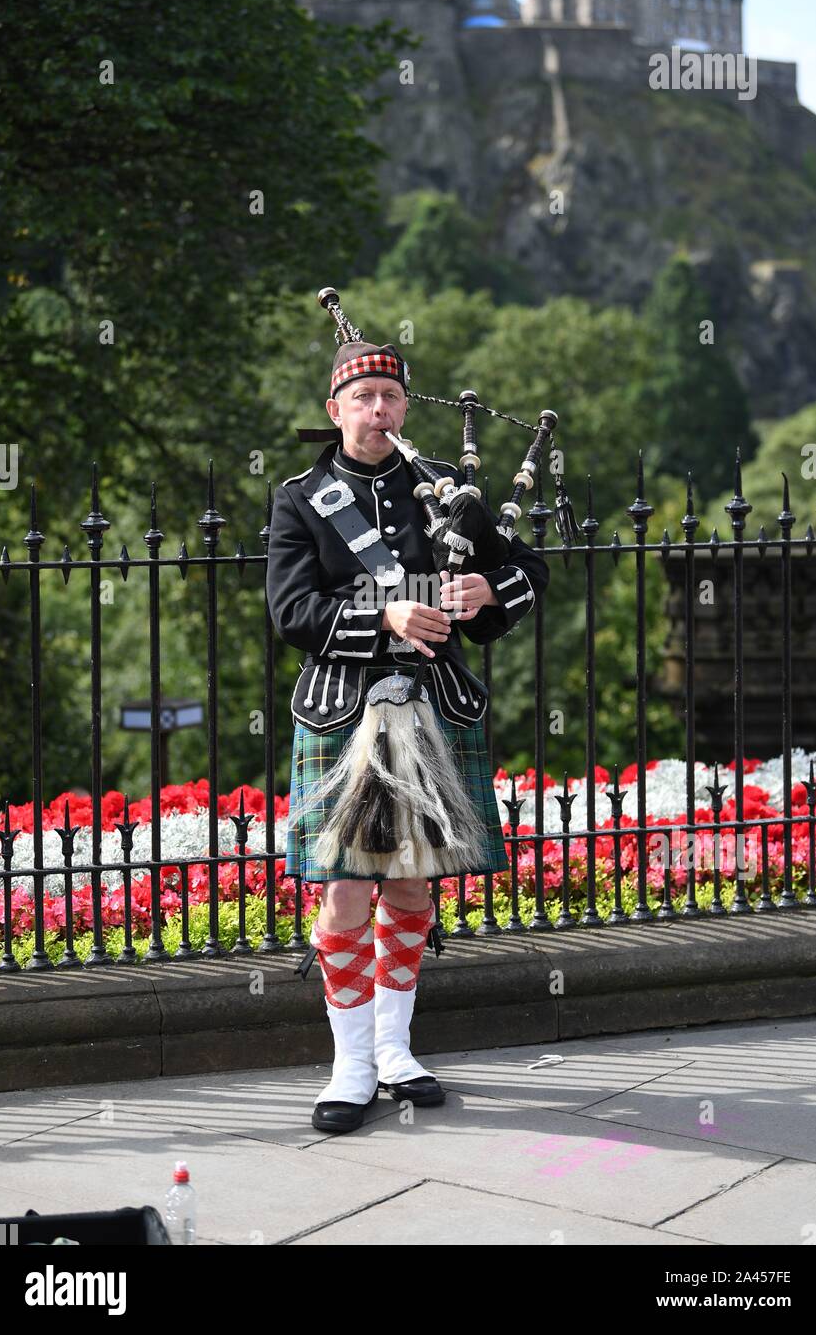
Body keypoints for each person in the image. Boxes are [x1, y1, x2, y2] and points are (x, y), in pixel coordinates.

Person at [265, 336, 549, 1133]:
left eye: (391, 396)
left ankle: (396, 1051)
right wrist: (381, 614)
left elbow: (529, 574)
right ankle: (349, 1064)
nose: (379, 410)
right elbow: (291, 611)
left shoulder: (444, 491)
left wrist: (484, 589)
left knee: (414, 883)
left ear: (404, 406)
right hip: (346, 709)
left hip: (432, 703)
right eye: (364, 398)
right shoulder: (302, 498)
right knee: (348, 889)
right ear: (335, 410)